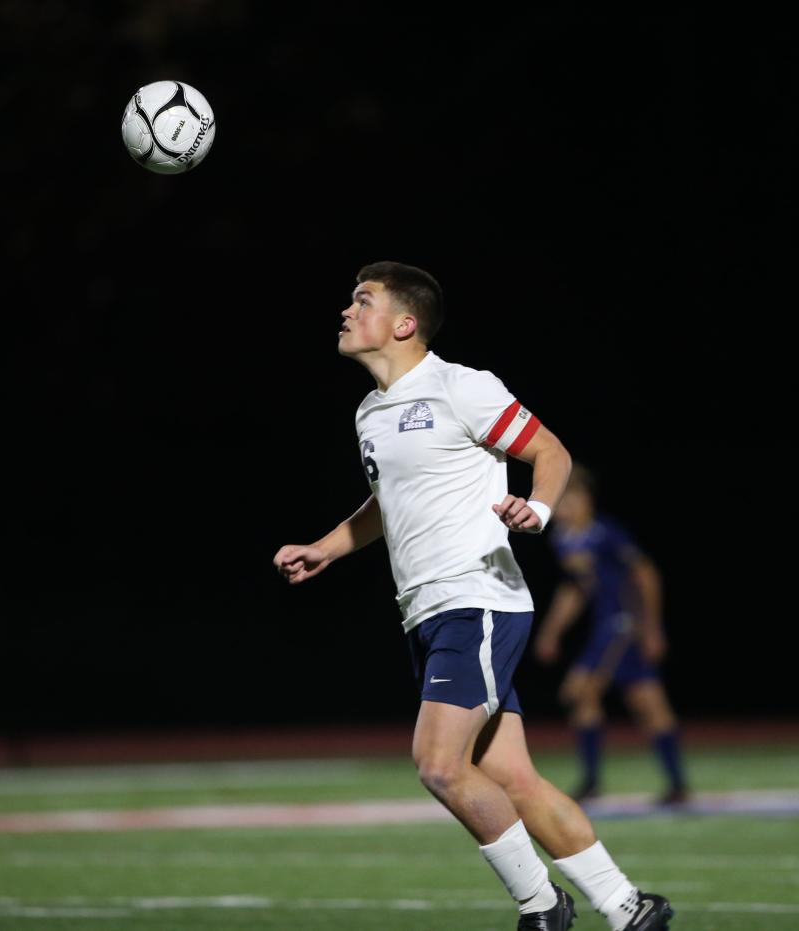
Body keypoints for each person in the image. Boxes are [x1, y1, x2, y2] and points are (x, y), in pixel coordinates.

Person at [273, 261, 674, 931]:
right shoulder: (370, 411)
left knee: (438, 763)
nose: (346, 311)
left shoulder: (462, 387)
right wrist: (326, 546)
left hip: (478, 600)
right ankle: (628, 906)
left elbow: (550, 450)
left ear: (404, 323)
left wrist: (540, 511)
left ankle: (542, 906)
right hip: (426, 612)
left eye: (362, 301)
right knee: (513, 778)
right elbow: (388, 503)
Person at [533, 464, 689, 805]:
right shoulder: (564, 541)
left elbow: (646, 575)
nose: (559, 511)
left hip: (622, 625)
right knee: (647, 703)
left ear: (584, 500)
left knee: (578, 691)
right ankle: (676, 785)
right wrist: (551, 632)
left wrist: (651, 628)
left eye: (565, 502)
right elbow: (574, 591)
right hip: (607, 626)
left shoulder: (605, 533)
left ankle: (591, 782)